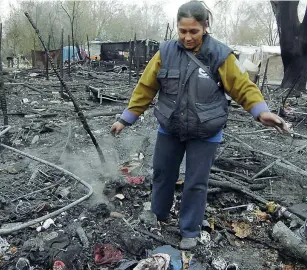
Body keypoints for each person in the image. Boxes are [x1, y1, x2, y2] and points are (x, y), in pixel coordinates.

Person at [110, 1, 288, 250]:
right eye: (182, 31)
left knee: (196, 182)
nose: (187, 37)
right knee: (162, 173)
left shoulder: (220, 55)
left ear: (205, 26)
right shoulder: (165, 52)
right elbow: (146, 87)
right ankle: (158, 213)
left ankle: (190, 229)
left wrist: (262, 112)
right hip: (170, 127)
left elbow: (243, 87)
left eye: (193, 31)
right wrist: (125, 119)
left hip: (206, 130)